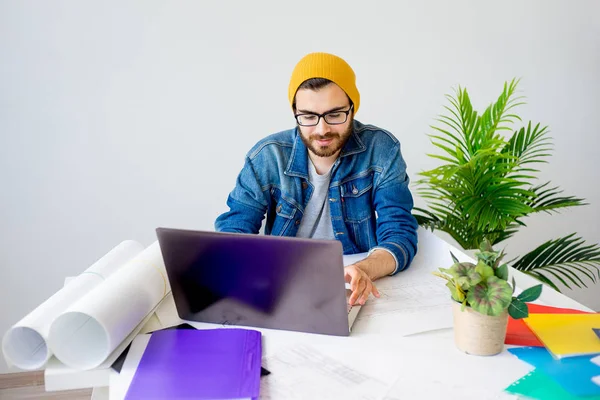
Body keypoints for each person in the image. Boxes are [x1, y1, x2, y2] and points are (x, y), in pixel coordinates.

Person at [215, 52, 418, 306]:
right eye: (309, 116)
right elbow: (236, 230)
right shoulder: (267, 156)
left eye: (335, 115)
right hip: (280, 285)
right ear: (294, 111)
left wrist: (364, 270)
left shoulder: (382, 150)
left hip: (354, 286)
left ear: (352, 108)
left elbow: (399, 231)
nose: (322, 129)